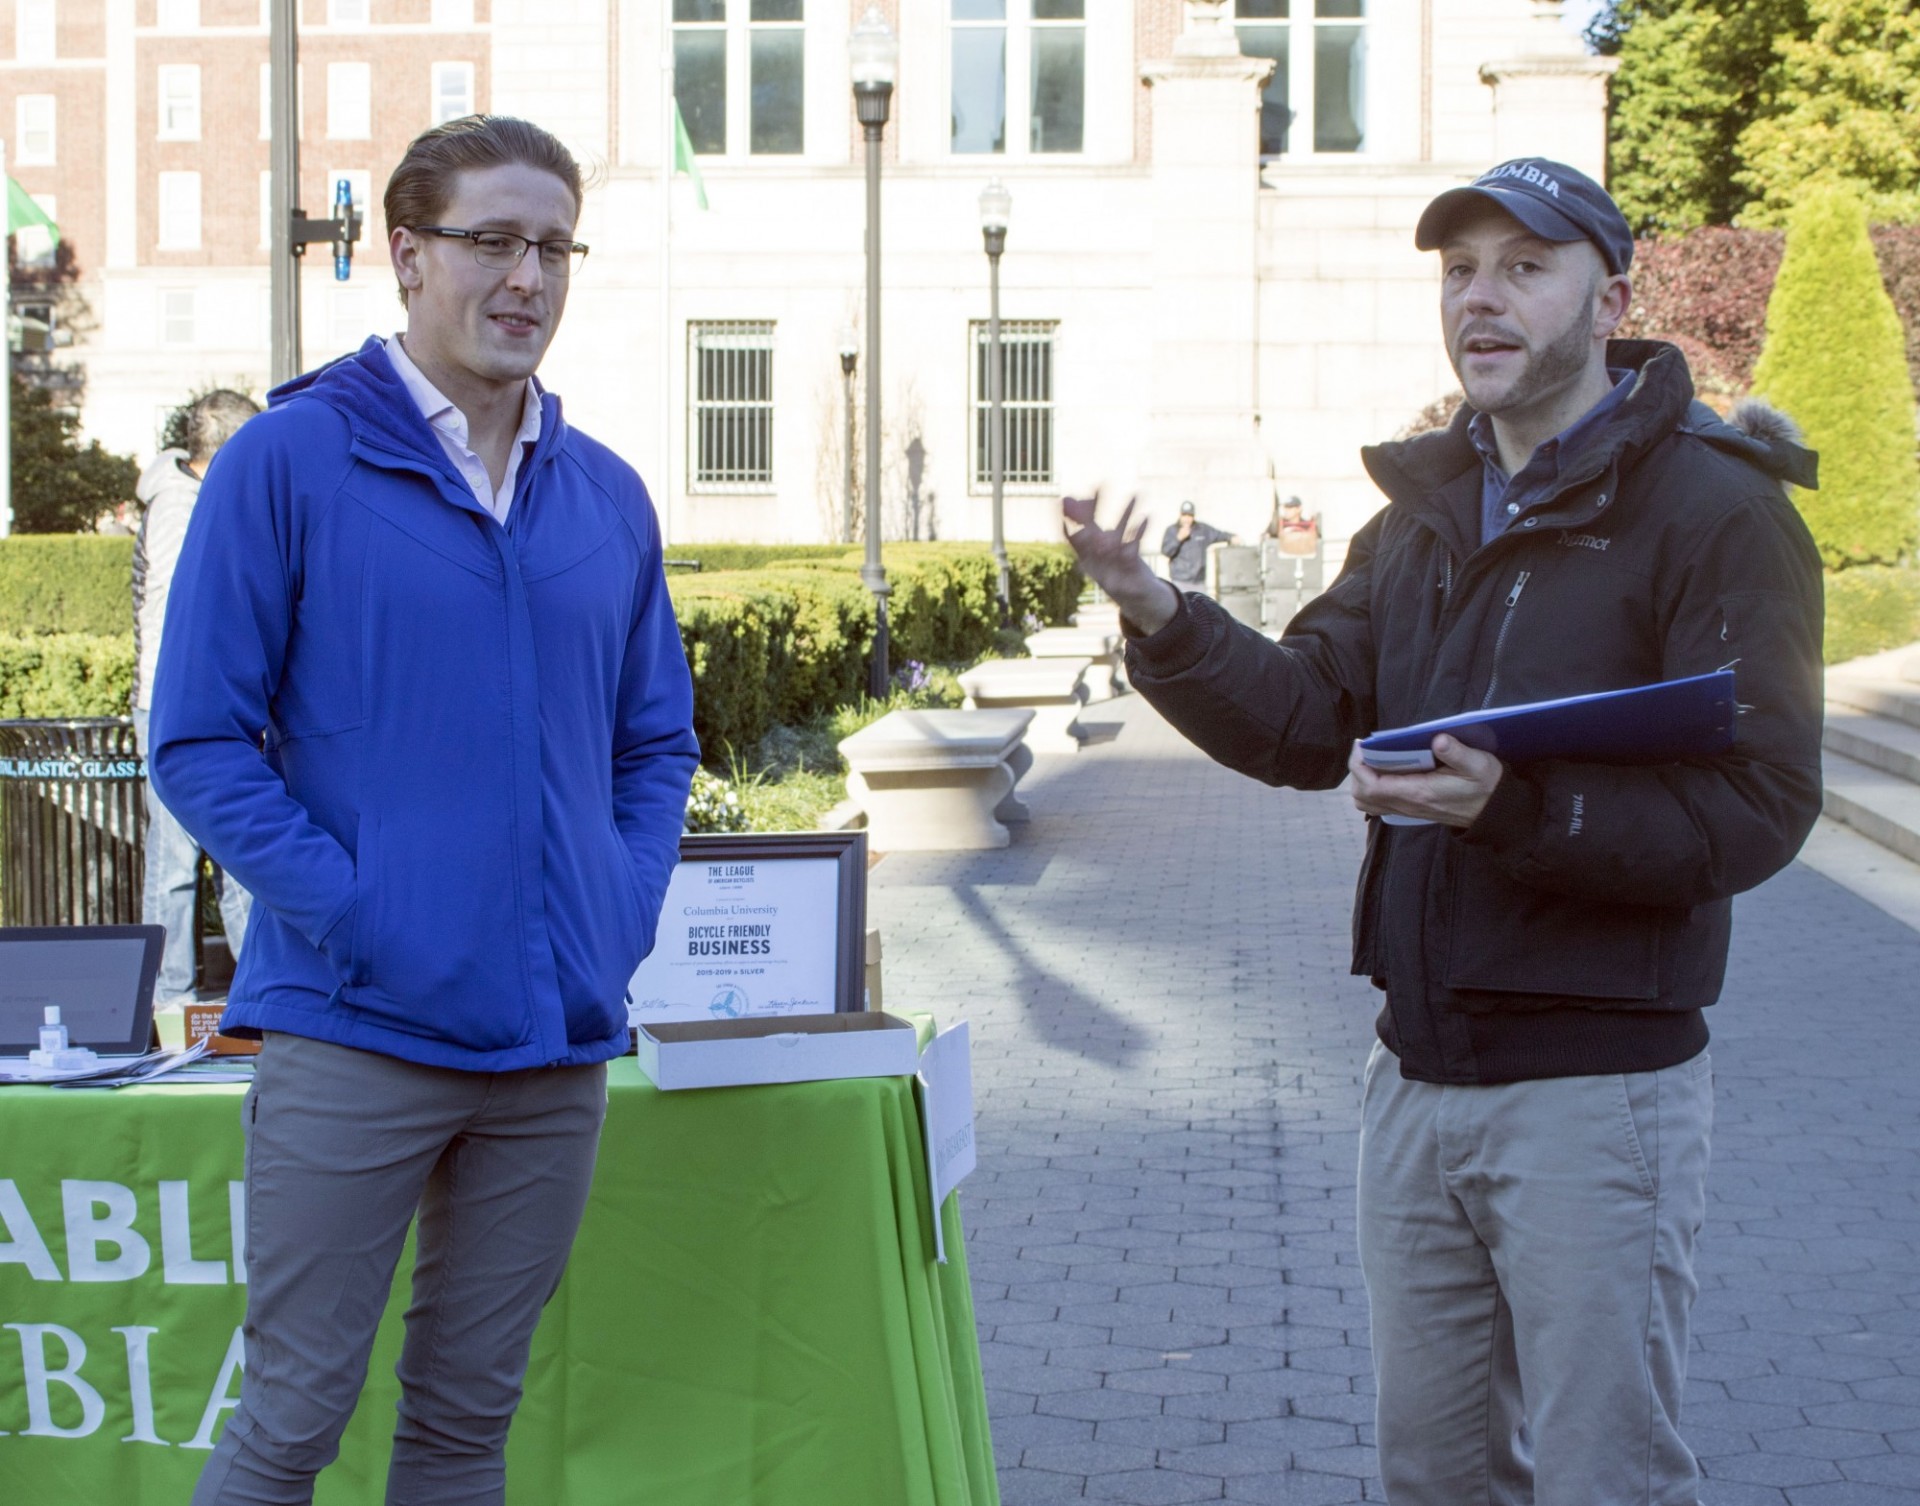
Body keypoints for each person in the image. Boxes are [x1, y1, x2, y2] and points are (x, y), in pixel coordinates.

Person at [1063, 157, 1823, 1505]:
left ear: (1611, 295)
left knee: (1610, 1479)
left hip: (1598, 1101)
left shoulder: (1717, 513)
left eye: (1525, 267)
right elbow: (1305, 723)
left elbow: (1762, 802)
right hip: (1413, 1083)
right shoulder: (1417, 522)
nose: (1482, 297)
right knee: (1438, 1478)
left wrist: (1518, 810)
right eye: (1459, 270)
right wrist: (1161, 613)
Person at [150, 115, 699, 1505]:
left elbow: (656, 744)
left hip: (553, 1041)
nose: (529, 277)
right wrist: (364, 912)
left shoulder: (608, 497)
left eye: (555, 246)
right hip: (356, 1029)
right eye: (493, 240)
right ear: (405, 254)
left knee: (465, 1431)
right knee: (289, 1423)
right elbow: (201, 743)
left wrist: (614, 912)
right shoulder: (286, 463)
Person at [131, 389, 261, 1006]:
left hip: (190, 700)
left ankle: (255, 997)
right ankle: (170, 1005)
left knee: (225, 857)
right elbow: (169, 619)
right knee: (180, 861)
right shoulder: (182, 509)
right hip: (175, 703)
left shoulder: (188, 500)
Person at [1159, 499, 1232, 586]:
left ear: (1193, 516)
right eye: (1184, 515)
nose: (1187, 518)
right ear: (1180, 515)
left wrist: (1231, 537)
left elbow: (1218, 535)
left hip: (1199, 582)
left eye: (1190, 515)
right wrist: (1178, 539)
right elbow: (1166, 551)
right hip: (1179, 581)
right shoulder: (1172, 530)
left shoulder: (1202, 529)